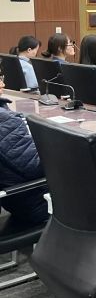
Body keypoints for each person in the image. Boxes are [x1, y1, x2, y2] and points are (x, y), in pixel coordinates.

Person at [0, 73, 49, 224]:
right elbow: (37, 167)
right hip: (36, 202)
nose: (3, 84)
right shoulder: (4, 120)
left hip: (14, 200)